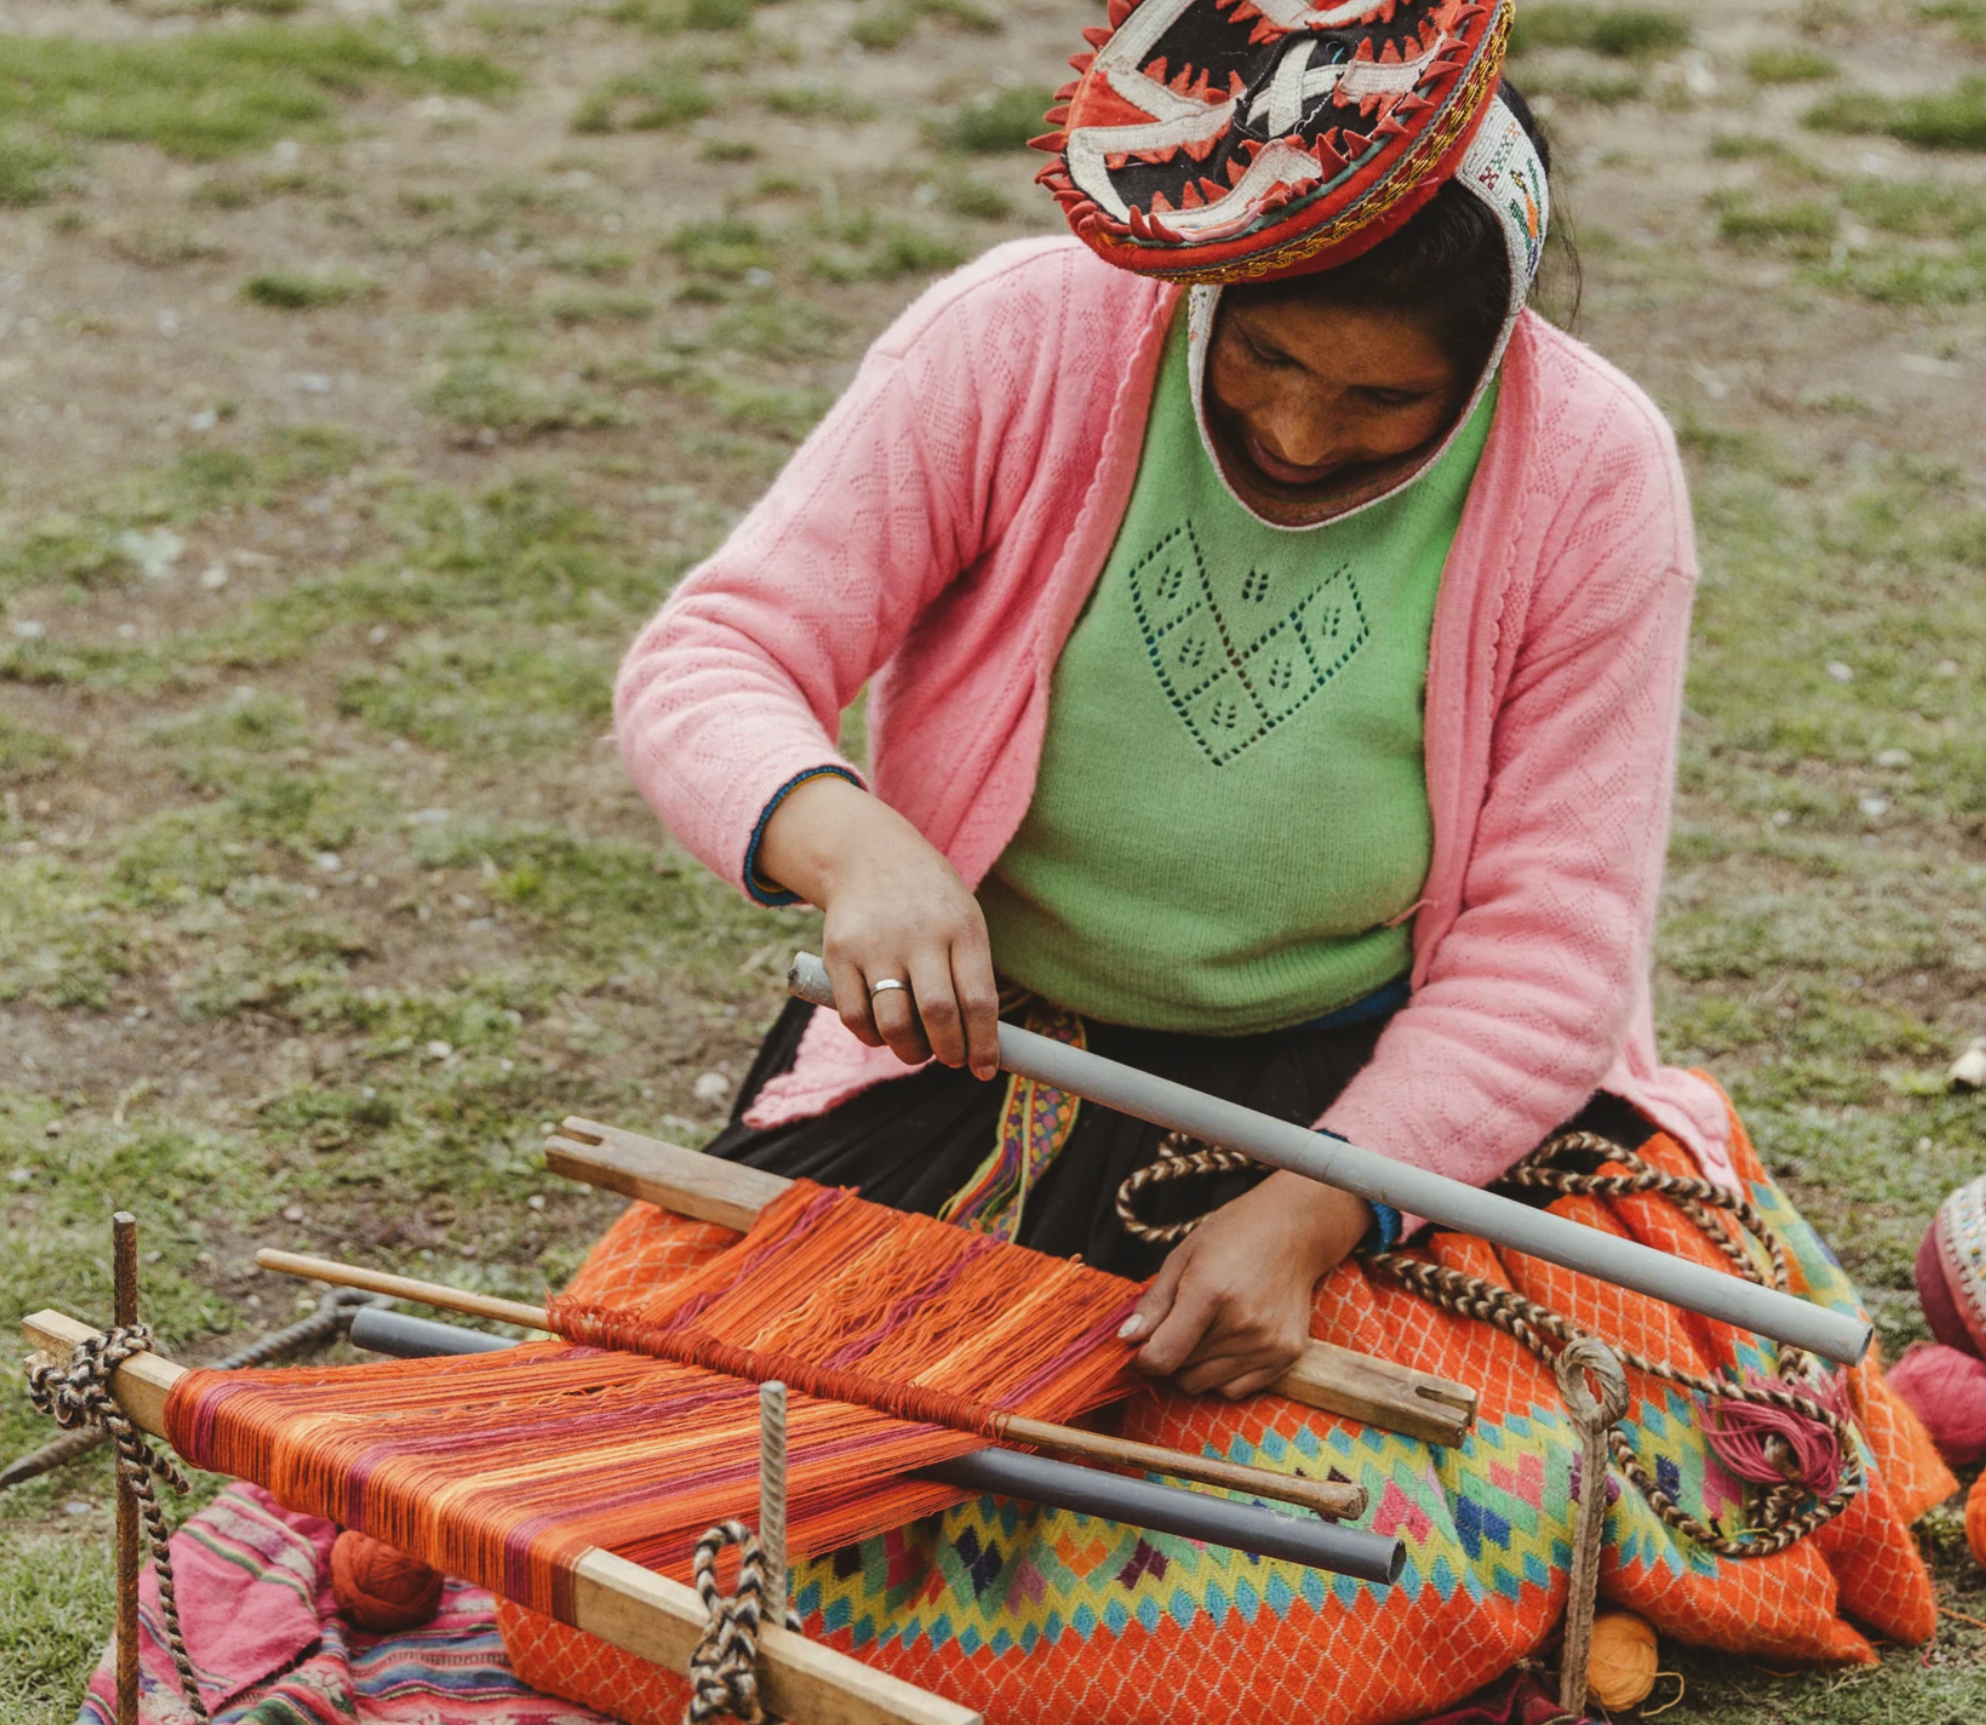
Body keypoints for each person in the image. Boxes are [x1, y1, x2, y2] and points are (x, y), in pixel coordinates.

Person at [510, 6, 1952, 1722]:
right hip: (1001, 1064)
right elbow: (715, 655)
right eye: (1263, 358)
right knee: (608, 1525)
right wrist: (857, 846)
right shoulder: (1025, 339)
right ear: (1211, 283)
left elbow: (1552, 951)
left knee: (1384, 1537)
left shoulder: (1589, 468)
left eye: (1379, 398)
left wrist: (1313, 1208)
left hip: (1369, 1100)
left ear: (1492, 355)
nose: (1297, 430)